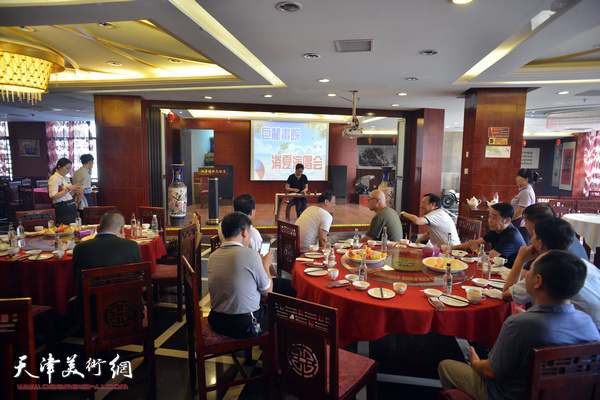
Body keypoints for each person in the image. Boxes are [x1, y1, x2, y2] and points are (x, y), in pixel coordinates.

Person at [438, 250, 599, 400]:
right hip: (565, 394)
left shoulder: (519, 326)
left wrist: (475, 362)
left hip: (506, 394)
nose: (525, 276)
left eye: (529, 271)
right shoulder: (589, 324)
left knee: (446, 366)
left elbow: (491, 371)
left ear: (537, 281)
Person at [501, 217, 600, 329]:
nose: (530, 240)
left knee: (510, 318)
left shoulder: (546, 272)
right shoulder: (584, 264)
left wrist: (519, 260)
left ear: (539, 243)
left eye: (533, 235)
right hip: (590, 331)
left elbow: (506, 295)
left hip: (578, 338)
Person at [208, 212, 273, 338]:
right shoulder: (251, 255)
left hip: (216, 321)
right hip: (244, 324)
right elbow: (268, 291)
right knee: (279, 310)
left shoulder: (213, 256)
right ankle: (272, 355)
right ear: (244, 232)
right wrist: (265, 265)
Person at [71, 211, 142, 322]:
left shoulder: (80, 249)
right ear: (122, 229)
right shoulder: (131, 246)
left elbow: (76, 277)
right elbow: (139, 276)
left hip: (91, 315)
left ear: (98, 228)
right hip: (127, 310)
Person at [453, 203, 525, 268]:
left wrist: (476, 250)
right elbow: (474, 243)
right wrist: (451, 248)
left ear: (507, 220)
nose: (490, 220)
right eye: (489, 217)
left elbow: (489, 257)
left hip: (511, 274)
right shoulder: (497, 229)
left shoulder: (511, 237)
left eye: (494, 217)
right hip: (498, 269)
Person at [522, 203, 588, 260]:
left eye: (526, 222)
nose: (525, 225)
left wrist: (519, 261)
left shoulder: (548, 243)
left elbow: (532, 272)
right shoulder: (564, 234)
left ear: (538, 224)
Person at [48, 158, 81, 225]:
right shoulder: (54, 178)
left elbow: (67, 195)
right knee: (66, 228)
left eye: (70, 169)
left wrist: (74, 190)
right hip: (63, 207)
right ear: (59, 167)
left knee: (74, 227)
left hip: (71, 205)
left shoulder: (66, 178)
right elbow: (53, 196)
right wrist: (68, 189)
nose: (68, 171)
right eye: (67, 168)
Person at [511, 169, 539, 244]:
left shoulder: (526, 192)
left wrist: (509, 220)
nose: (516, 179)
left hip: (521, 224)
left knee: (521, 245)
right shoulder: (524, 190)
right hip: (520, 222)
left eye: (518, 177)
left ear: (526, 179)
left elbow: (521, 211)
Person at [72, 154, 95, 218]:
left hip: (76, 196)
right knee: (87, 219)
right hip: (84, 198)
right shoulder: (86, 175)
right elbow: (81, 191)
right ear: (90, 162)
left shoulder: (76, 172)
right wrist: (77, 202)